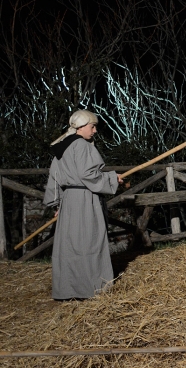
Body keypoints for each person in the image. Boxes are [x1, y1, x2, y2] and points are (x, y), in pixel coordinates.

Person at [43, 110, 123, 300]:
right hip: (85, 199)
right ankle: (91, 288)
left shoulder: (62, 147)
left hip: (69, 200)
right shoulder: (82, 146)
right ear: (80, 127)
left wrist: (58, 204)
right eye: (92, 126)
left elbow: (54, 178)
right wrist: (112, 178)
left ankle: (69, 290)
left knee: (71, 245)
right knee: (89, 241)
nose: (95, 131)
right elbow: (89, 176)